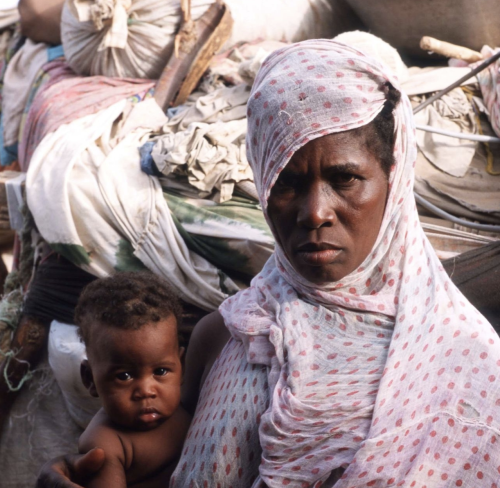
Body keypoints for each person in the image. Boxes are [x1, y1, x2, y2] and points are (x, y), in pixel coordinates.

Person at [37, 40, 500, 488]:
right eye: (287, 183)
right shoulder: (227, 335)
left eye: (345, 179)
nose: (315, 211)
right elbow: (169, 465)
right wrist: (90, 469)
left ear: (393, 180)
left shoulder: (465, 363)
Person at [73, 272, 190, 488]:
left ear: (181, 368)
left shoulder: (190, 405)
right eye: (124, 376)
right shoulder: (105, 444)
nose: (146, 391)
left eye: (161, 371)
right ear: (89, 379)